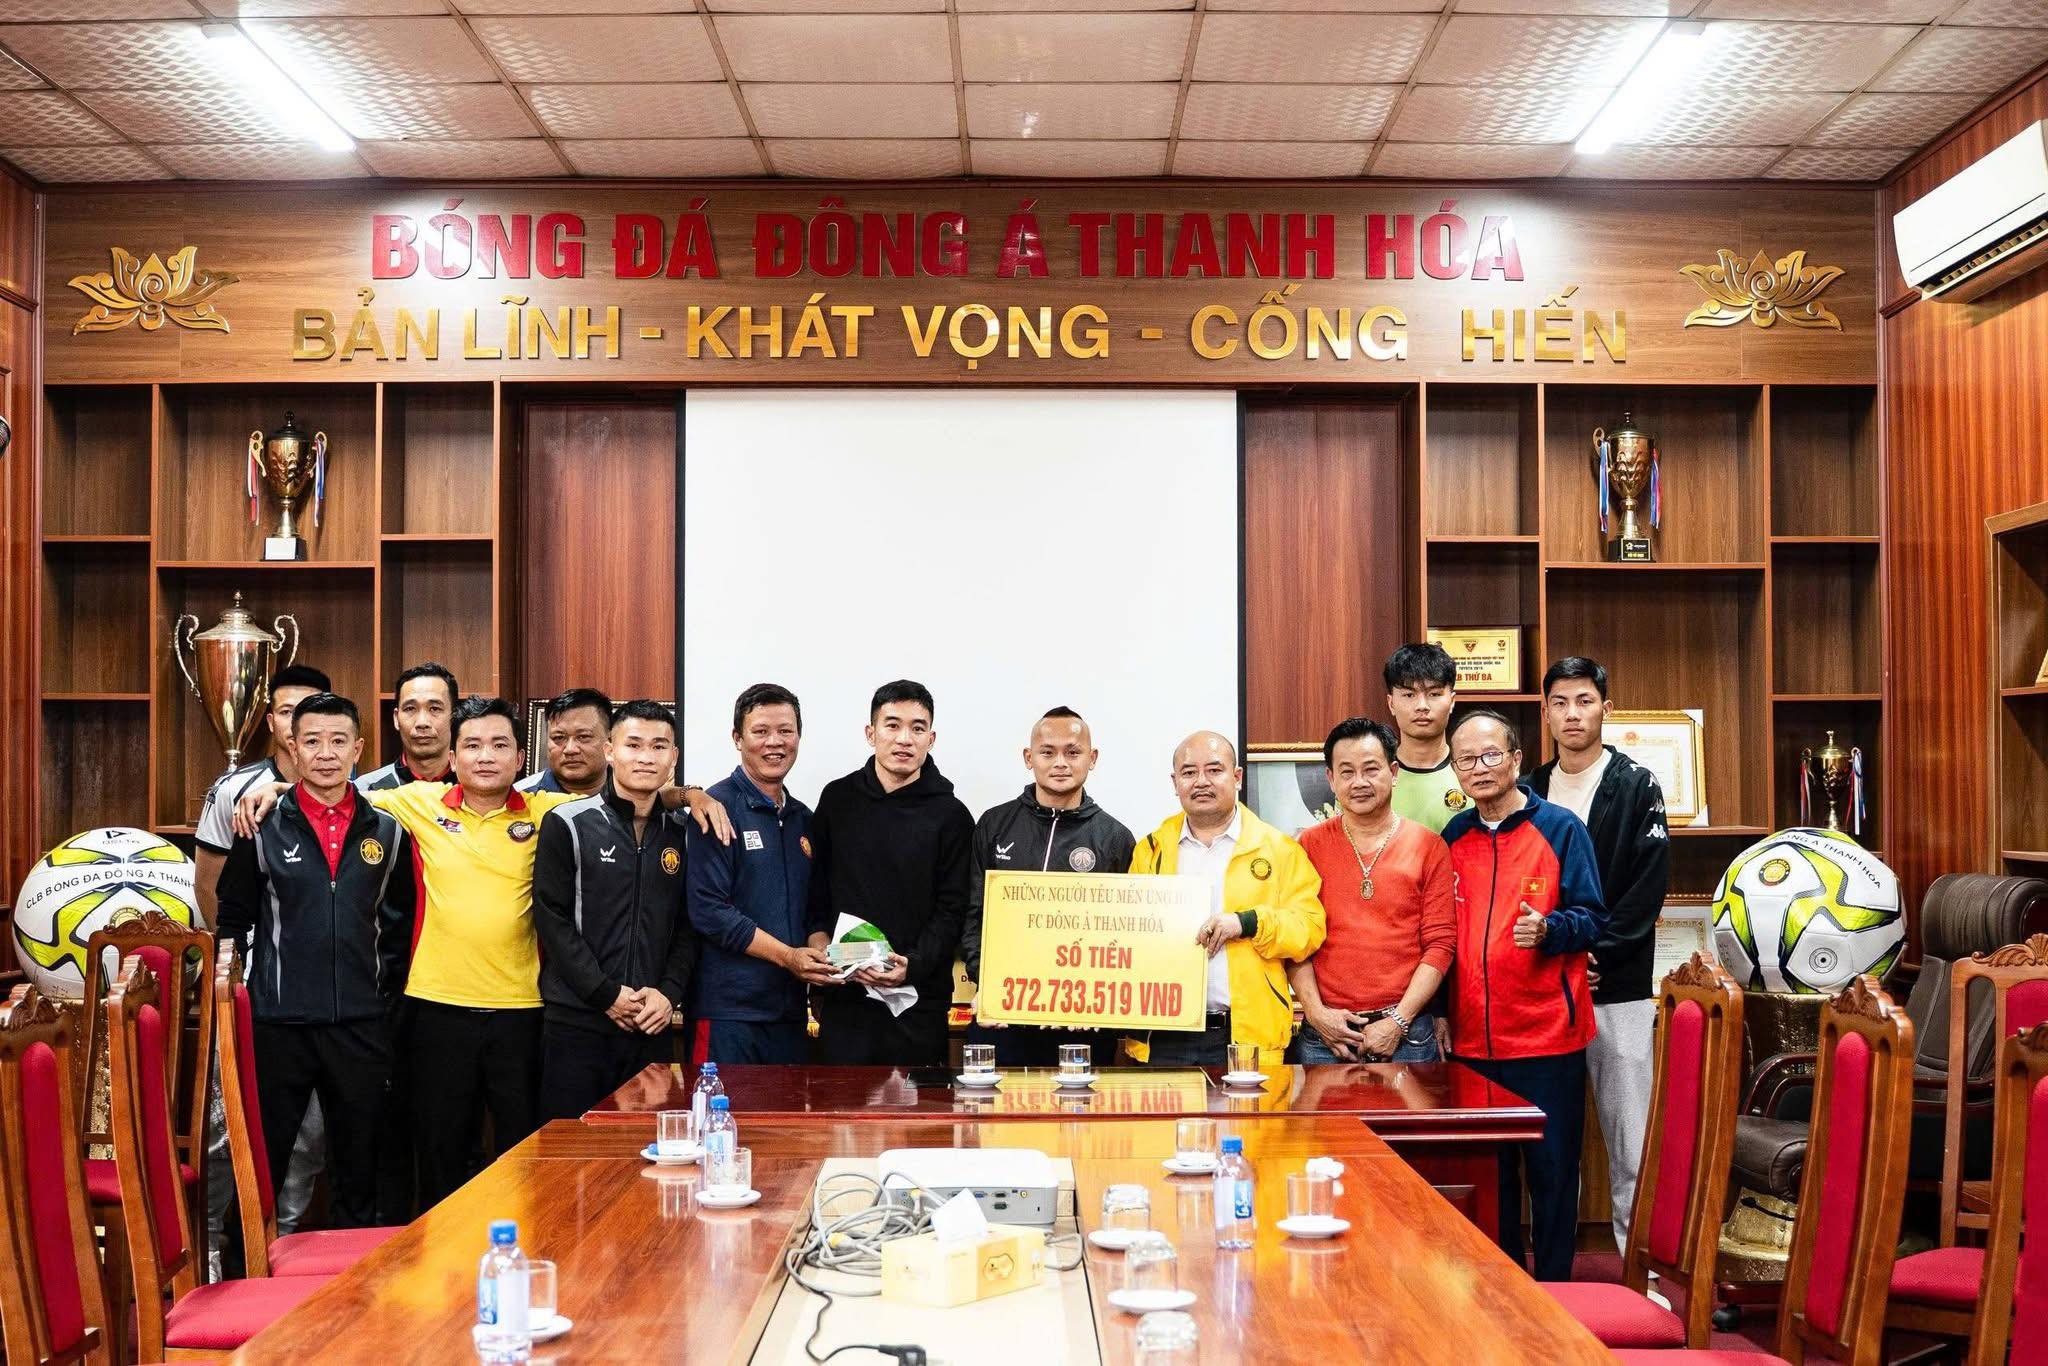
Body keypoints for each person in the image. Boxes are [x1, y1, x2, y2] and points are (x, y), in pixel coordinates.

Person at [214, 692, 409, 1228]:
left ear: (358, 749)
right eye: (313, 741)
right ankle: (243, 1267)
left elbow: (397, 930)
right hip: (280, 1025)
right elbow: (232, 918)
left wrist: (383, 1004)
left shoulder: (388, 830)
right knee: (264, 1163)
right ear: (293, 747)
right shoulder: (260, 825)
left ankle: (353, 1277)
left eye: (339, 741)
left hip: (361, 1028)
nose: (326, 754)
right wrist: (233, 996)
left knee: (359, 1168)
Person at [1441, 708, 1607, 1282]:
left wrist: (1550, 930)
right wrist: (1439, 1011)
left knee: (1552, 1175)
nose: (1479, 767)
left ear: (1515, 760)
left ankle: (1556, 1292)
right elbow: (1440, 935)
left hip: (1546, 1039)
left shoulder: (1561, 829)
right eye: (1466, 759)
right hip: (1472, 1044)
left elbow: (1593, 917)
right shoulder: (1453, 836)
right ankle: (1503, 1291)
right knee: (1491, 1180)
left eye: (1491, 755)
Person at [1530, 656, 1670, 1254]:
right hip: (1547, 992)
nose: (1572, 714)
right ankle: (1551, 1269)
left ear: (1606, 709)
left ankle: (1642, 1270)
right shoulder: (1530, 788)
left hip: (1619, 989)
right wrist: (1563, 958)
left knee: (1631, 1140)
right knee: (1550, 1143)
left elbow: (1646, 890)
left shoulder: (1637, 785)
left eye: (1584, 701)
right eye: (1560, 703)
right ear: (1545, 712)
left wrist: (1596, 956)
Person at [533, 700, 697, 1121]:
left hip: (651, 1022)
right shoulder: (567, 823)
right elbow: (552, 918)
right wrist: (605, 994)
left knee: (649, 1149)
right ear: (610, 750)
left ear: (673, 757)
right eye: (633, 744)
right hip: (577, 1022)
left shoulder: (684, 834)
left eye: (659, 746)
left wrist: (668, 994)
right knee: (571, 1149)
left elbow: (688, 927)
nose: (646, 757)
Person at [1128, 731, 1324, 1067]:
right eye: (1189, 772)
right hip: (1163, 1031)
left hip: (1244, 1033)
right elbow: (1128, 934)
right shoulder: (1151, 850)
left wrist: (1247, 923)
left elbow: (1309, 929)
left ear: (1237, 777)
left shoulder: (1279, 850)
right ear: (1175, 783)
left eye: (1214, 770)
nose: (1201, 781)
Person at [804, 680, 974, 1067]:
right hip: (846, 997)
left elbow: (953, 910)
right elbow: (816, 890)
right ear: (871, 733)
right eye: (892, 725)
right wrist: (819, 942)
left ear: (931, 739)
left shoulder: (952, 815)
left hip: (919, 1002)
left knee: (917, 1106)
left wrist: (912, 965)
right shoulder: (837, 799)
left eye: (917, 728)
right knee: (840, 1104)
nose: (904, 739)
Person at [961, 706, 1136, 1068]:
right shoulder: (994, 825)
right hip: (1002, 1015)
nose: (1060, 763)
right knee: (996, 1105)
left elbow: (1127, 935)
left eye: (1073, 752)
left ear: (1092, 758)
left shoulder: (1115, 838)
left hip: (1083, 1021)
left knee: (1078, 1106)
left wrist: (1094, 997)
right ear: (1029, 758)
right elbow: (974, 915)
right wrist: (988, 982)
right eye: (1047, 752)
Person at [1289, 717, 1454, 1063]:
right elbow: (1295, 942)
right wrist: (1317, 1015)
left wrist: (1398, 1022)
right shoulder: (1307, 846)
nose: (1359, 782)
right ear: (1331, 779)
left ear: (1393, 772)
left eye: (1371, 769)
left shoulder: (1429, 847)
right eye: (1346, 772)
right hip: (1324, 1035)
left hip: (1408, 1032)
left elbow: (1440, 945)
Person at [688, 684, 836, 1066]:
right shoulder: (715, 808)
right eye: (761, 731)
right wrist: (788, 957)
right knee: (721, 1108)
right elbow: (709, 911)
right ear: (737, 738)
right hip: (728, 1015)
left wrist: (819, 952)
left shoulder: (803, 818)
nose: (775, 742)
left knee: (788, 1110)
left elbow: (814, 910)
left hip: (789, 1014)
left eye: (786, 731)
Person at [195, 663, 332, 926]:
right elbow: (206, 887)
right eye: (286, 712)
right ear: (270, 722)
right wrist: (236, 948)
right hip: (258, 947)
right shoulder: (233, 789)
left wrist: (280, 789)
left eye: (307, 710)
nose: (296, 723)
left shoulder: (349, 791)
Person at [1383, 642, 1469, 834]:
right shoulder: (1375, 777)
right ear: (1391, 704)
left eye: (1434, 694)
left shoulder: (1474, 772)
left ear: (1452, 701)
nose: (1422, 706)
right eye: (1409, 695)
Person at [357, 662, 458, 790]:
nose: (422, 722)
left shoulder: (475, 788)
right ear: (396, 718)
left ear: (454, 716)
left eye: (434, 709)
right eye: (410, 709)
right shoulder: (363, 791)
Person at [517, 687, 612, 796]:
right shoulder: (520, 798)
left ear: (610, 740)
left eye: (583, 736)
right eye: (559, 738)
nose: (570, 749)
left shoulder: (628, 792)